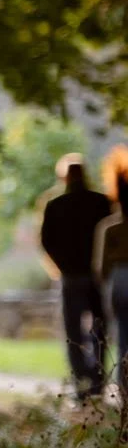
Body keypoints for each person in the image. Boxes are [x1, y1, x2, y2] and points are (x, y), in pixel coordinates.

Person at [41, 155, 115, 400]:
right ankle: (97, 381)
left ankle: (81, 383)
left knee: (73, 332)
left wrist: (62, 265)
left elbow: (47, 241)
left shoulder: (55, 205)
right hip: (97, 276)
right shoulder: (101, 202)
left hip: (71, 276)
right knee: (99, 330)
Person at [93, 147, 128, 393]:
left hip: (119, 279)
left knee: (123, 338)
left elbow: (101, 266)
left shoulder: (109, 228)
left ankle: (125, 392)